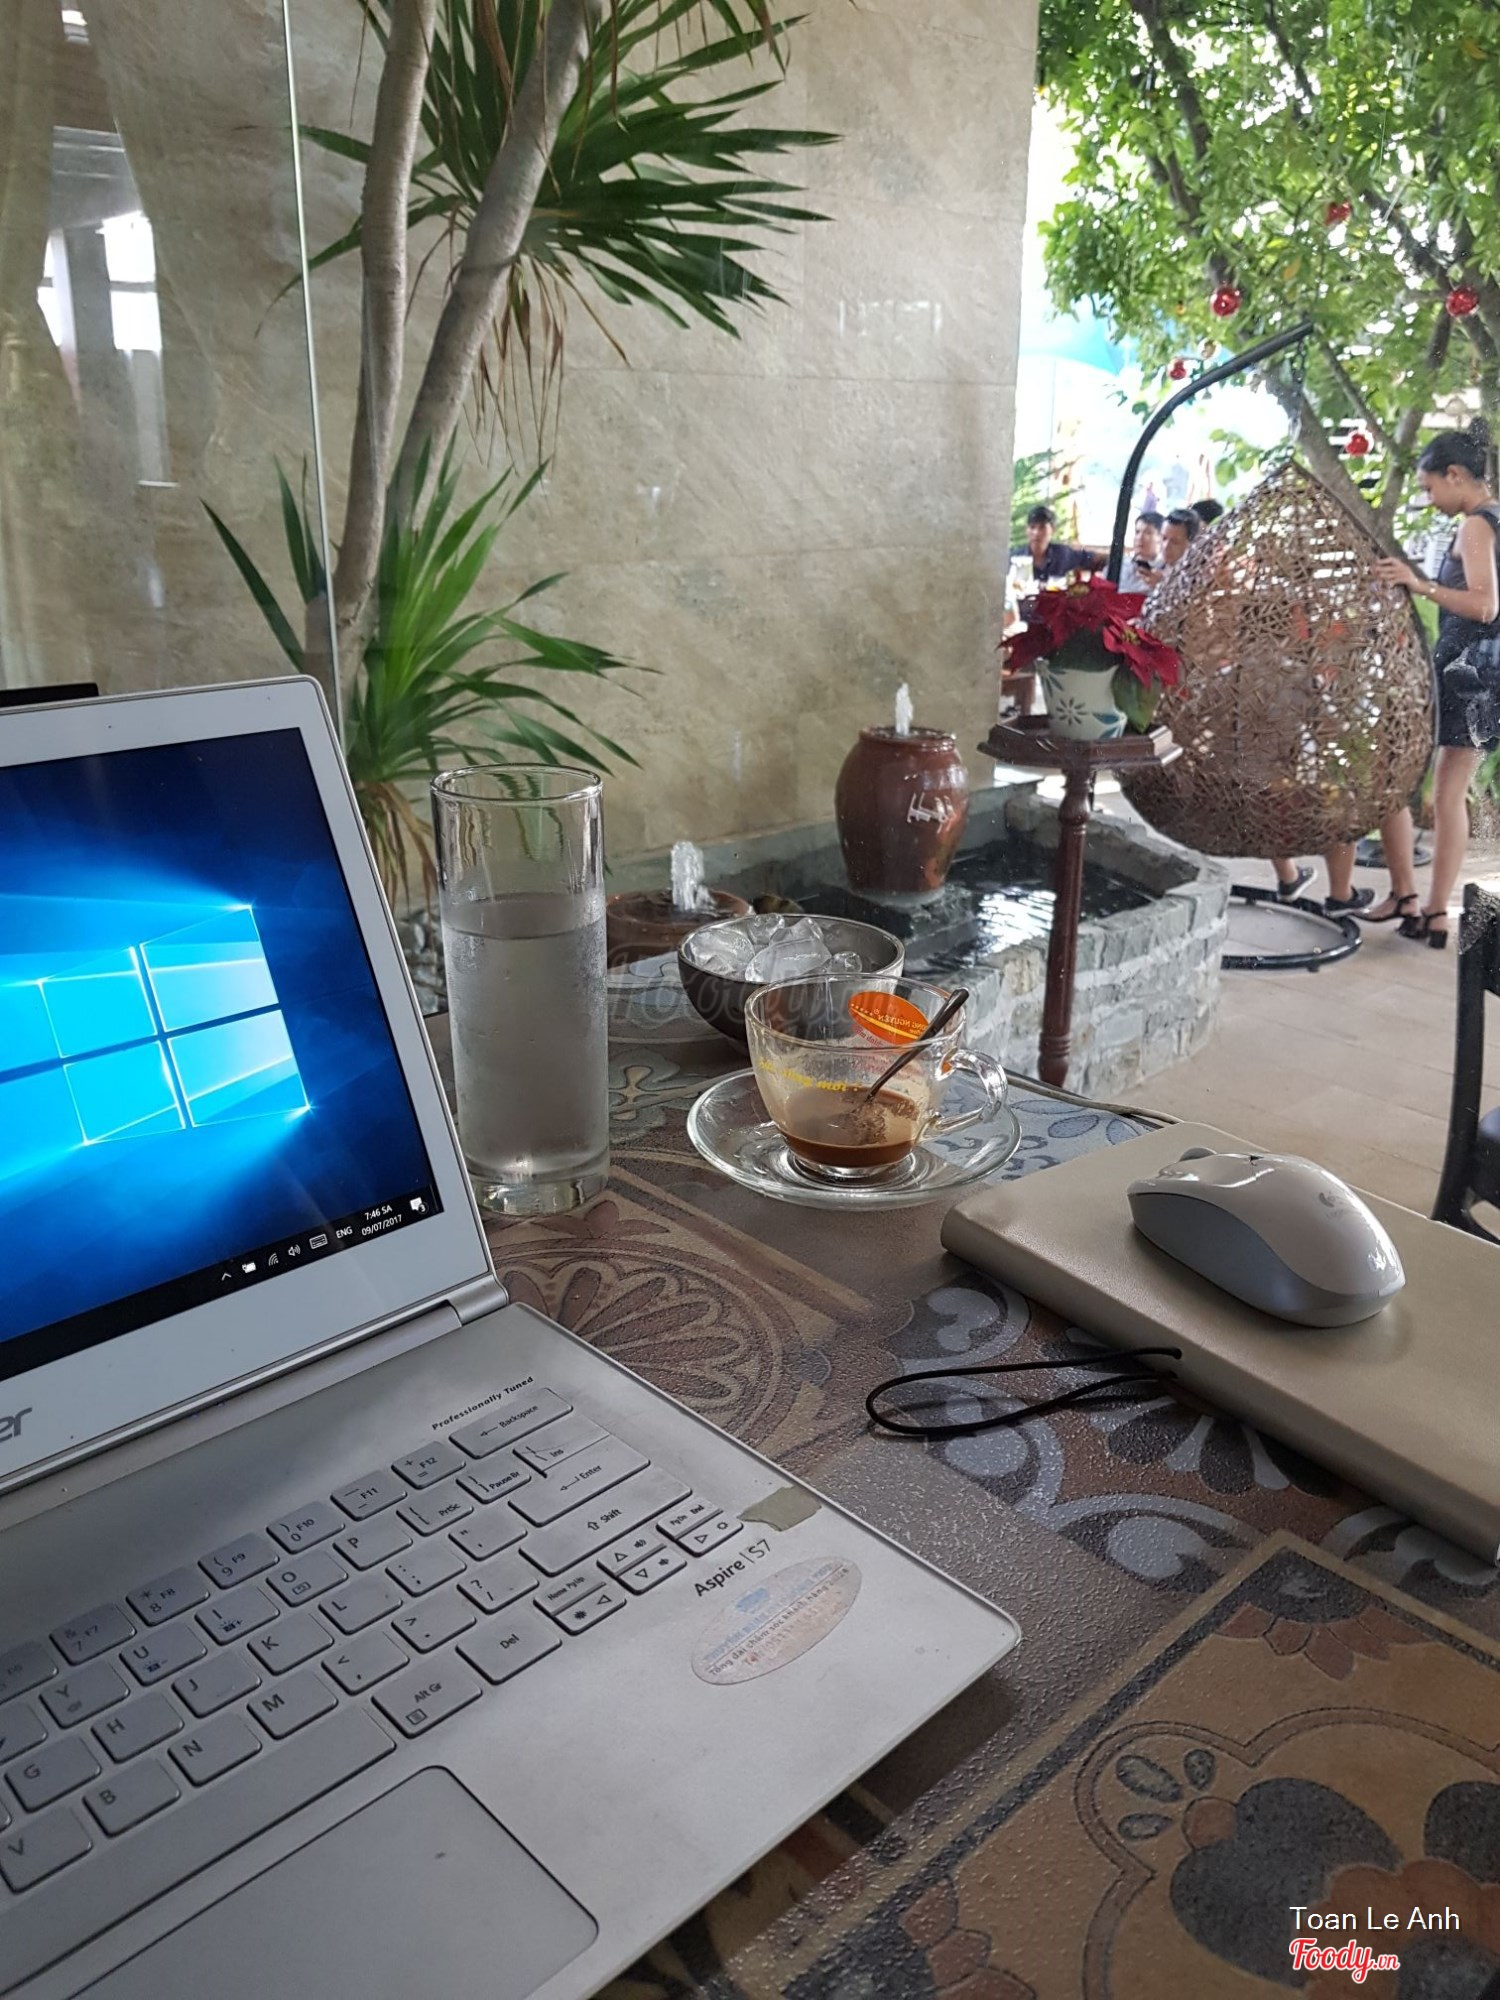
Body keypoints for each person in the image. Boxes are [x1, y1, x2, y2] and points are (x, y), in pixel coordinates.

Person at [1374, 418, 1500, 947]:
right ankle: (1435, 911)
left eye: (1429, 488)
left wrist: (1419, 585)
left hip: (1465, 670)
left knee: (1405, 777)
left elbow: (1485, 605)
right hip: (1488, 673)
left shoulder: (1476, 525)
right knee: (1450, 795)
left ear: (1454, 475)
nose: (1429, 500)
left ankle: (1415, 898)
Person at [1013, 505, 1107, 586]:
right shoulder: (1014, 558)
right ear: (1026, 530)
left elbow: (1095, 559)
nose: (1036, 533)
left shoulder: (1063, 554)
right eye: (1032, 527)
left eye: (1042, 527)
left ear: (1053, 530)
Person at [1124, 511, 1165, 590]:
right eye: (1137, 532)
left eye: (1148, 533)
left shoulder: (1167, 571)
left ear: (1161, 538)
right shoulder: (1122, 564)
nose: (1140, 537)